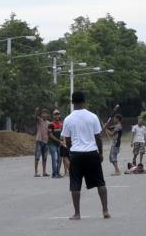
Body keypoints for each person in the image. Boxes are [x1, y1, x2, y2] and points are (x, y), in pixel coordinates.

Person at [62, 91, 109, 220]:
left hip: (76, 154)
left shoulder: (68, 119)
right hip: (92, 152)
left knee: (75, 184)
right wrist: (100, 153)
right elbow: (98, 137)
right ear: (84, 101)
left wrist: (71, 152)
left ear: (72, 102)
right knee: (100, 182)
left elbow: (67, 139)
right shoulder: (93, 117)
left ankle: (77, 213)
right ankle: (105, 210)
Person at [47, 108, 65, 178]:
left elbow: (63, 134)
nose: (57, 116)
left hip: (59, 144)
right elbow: (50, 135)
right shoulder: (51, 125)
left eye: (58, 114)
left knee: (60, 159)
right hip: (52, 144)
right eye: (55, 114)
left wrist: (63, 140)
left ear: (59, 115)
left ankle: (57, 172)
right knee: (54, 159)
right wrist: (59, 141)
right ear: (53, 116)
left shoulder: (61, 124)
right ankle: (54, 174)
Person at [33, 107, 51, 177]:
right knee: (37, 157)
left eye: (46, 114)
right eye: (43, 113)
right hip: (39, 141)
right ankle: (36, 172)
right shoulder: (39, 121)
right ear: (41, 115)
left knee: (45, 157)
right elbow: (35, 117)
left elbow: (50, 133)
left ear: (48, 115)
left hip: (46, 142)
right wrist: (36, 111)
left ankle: (44, 172)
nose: (44, 115)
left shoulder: (49, 123)